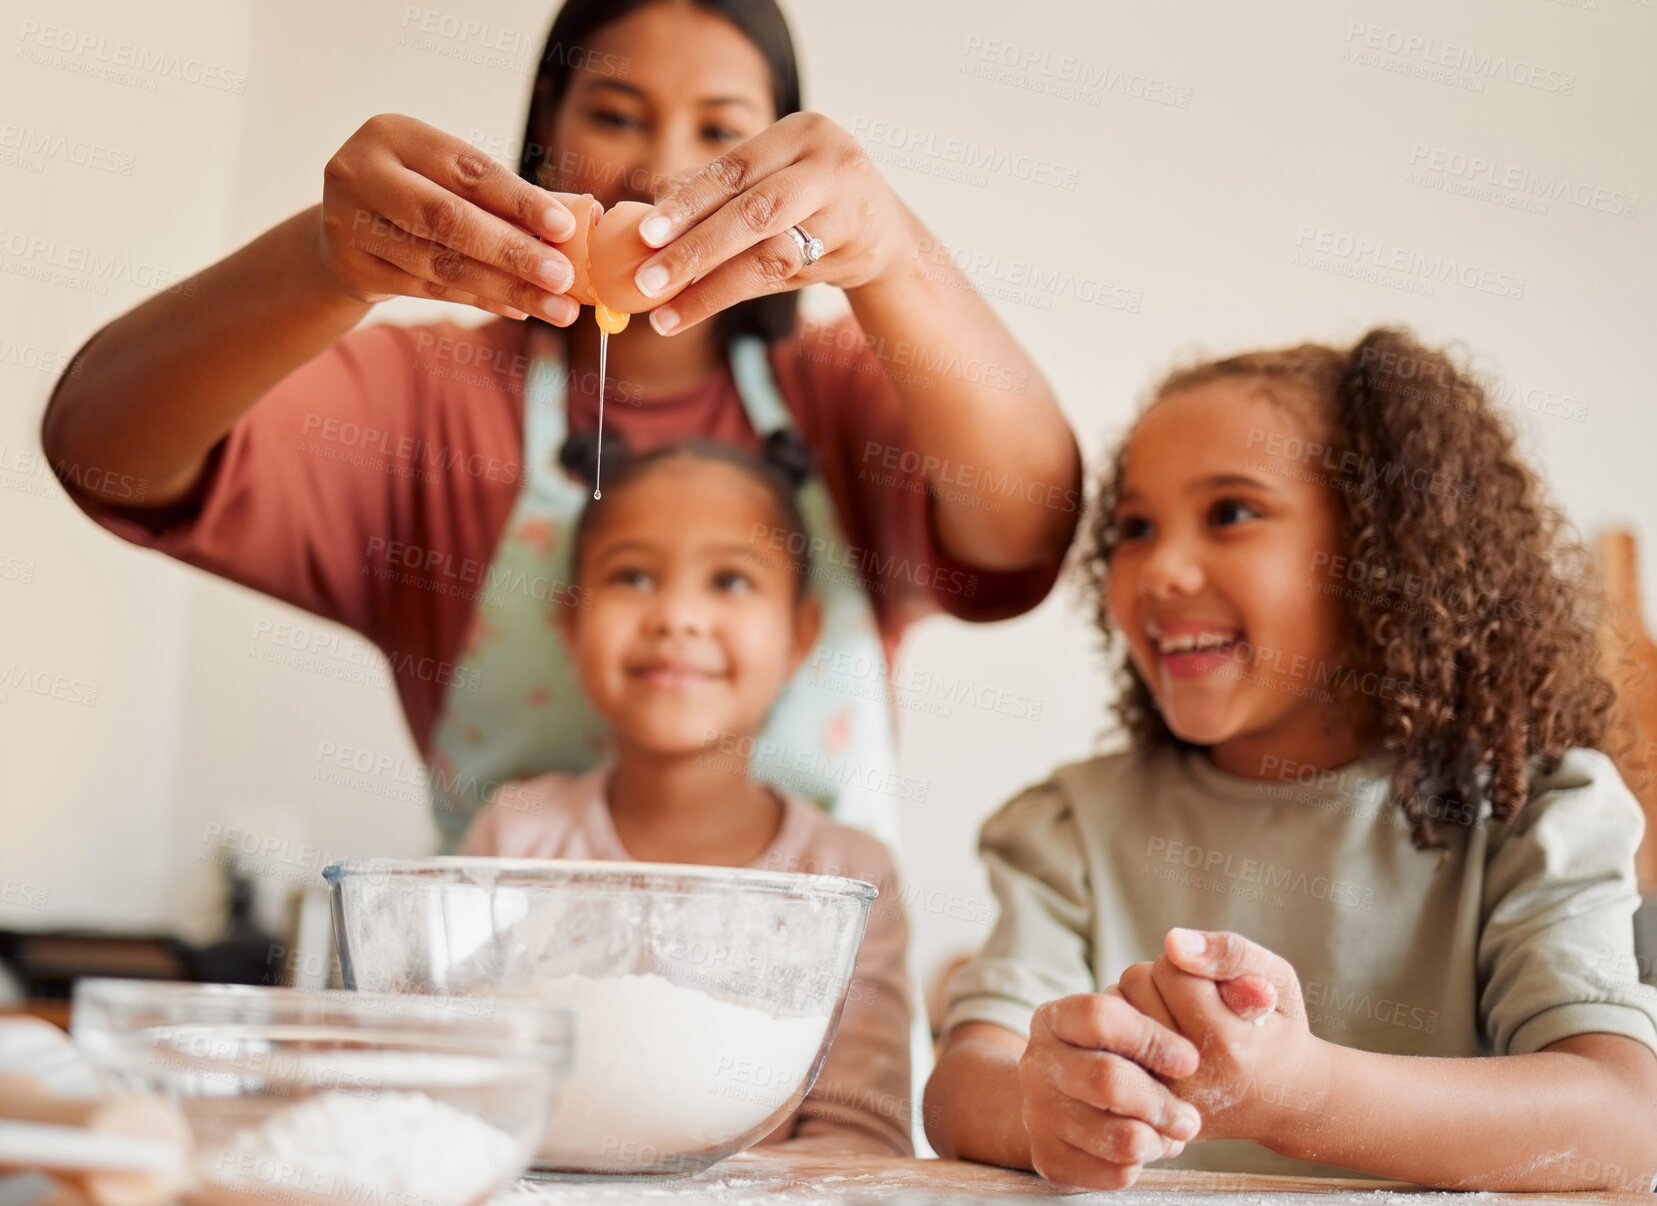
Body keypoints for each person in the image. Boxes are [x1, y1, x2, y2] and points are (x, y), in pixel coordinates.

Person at [38, 0, 1080, 850]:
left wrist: (895, 255)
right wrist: (323, 259)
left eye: (721, 132)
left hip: (822, 1076)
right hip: (523, 1056)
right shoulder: (427, 398)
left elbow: (1029, 522)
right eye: (616, 114)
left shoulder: (847, 393)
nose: (662, 173)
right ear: (544, 138)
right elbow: (102, 446)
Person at [923, 327, 1657, 1192]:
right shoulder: (1071, 825)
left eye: (1230, 512)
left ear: (1385, 551)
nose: (1158, 569)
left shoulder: (1531, 812)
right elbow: (965, 1084)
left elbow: (1624, 1121)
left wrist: (1301, 1096)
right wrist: (1045, 1108)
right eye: (1132, 527)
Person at [458, 439, 912, 1154]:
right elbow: (465, 1095)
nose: (676, 616)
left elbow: (856, 1134)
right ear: (572, 625)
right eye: (632, 576)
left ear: (799, 637)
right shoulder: (515, 837)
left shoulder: (848, 877)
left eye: (730, 582)